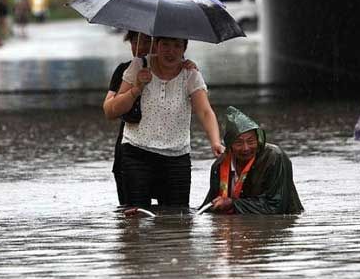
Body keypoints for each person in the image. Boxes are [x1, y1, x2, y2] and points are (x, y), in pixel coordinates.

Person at [107, 36, 224, 208]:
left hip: (176, 155)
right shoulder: (138, 66)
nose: (171, 51)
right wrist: (137, 87)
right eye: (166, 45)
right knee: (135, 218)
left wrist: (215, 141)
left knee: (177, 221)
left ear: (184, 49)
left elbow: (205, 111)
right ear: (156, 45)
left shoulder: (191, 74)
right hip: (137, 152)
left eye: (177, 45)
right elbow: (113, 110)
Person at [200, 106, 304, 214]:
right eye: (239, 143)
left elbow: (276, 206)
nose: (246, 148)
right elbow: (210, 206)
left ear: (258, 140)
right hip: (236, 225)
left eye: (251, 141)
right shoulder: (219, 166)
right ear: (229, 146)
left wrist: (233, 203)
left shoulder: (275, 158)